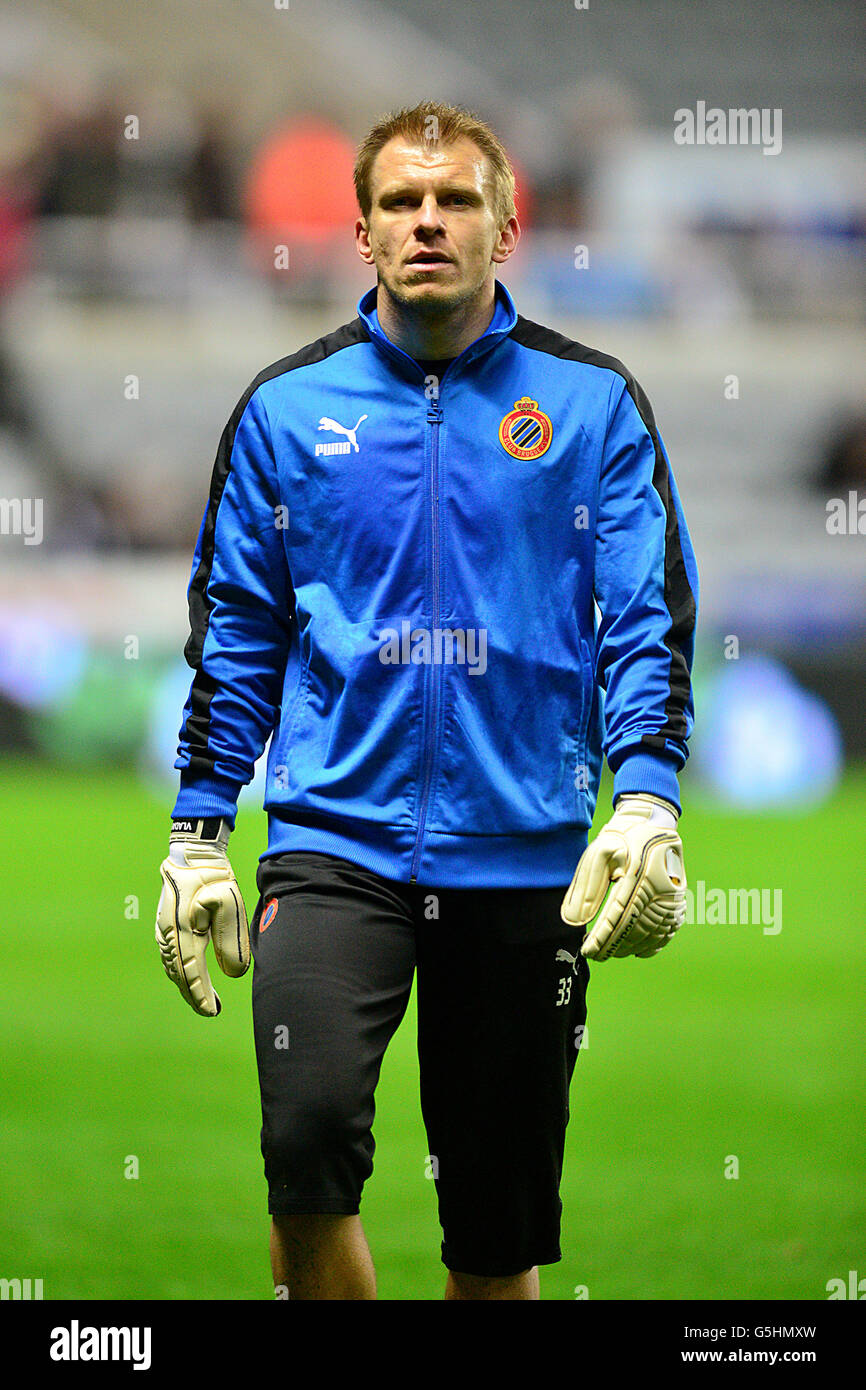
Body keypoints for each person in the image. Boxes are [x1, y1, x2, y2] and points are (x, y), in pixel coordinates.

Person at [155, 100, 698, 1301]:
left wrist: (646, 798)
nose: (427, 221)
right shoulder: (285, 410)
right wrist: (198, 834)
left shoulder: (593, 401)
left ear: (505, 230)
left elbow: (645, 615)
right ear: (361, 231)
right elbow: (237, 630)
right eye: (401, 202)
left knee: (492, 1241)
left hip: (522, 861)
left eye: (455, 201)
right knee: (301, 1160)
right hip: (330, 851)